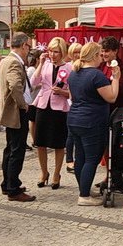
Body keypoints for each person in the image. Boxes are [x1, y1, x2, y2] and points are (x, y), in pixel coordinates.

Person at [67, 42, 117, 206]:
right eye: (100, 55)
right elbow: (111, 97)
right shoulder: (96, 75)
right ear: (95, 56)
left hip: (75, 119)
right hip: (92, 121)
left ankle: (84, 189)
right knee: (92, 158)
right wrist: (116, 79)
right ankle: (84, 196)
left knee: (80, 156)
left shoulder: (74, 73)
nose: (102, 58)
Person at [0, 34, 36, 203]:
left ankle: (8, 184)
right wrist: (23, 104)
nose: (29, 51)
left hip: (9, 111)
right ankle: (13, 189)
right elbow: (14, 85)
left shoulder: (6, 60)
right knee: (16, 151)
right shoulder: (13, 62)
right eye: (29, 47)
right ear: (24, 46)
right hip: (15, 112)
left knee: (10, 149)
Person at [29, 37, 71, 189]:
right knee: (40, 142)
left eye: (56, 52)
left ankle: (56, 174)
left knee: (59, 144)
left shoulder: (69, 68)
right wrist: (40, 63)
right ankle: (44, 172)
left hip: (59, 108)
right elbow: (33, 82)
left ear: (62, 52)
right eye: (50, 51)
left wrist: (63, 92)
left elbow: (73, 92)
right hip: (43, 105)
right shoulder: (45, 64)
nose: (52, 55)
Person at [65, 42, 83, 173]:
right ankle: (69, 160)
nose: (77, 54)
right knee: (71, 135)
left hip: (78, 104)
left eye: (79, 51)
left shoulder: (83, 67)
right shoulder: (68, 67)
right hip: (69, 103)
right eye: (75, 52)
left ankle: (77, 159)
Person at [99, 36, 123, 108]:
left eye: (107, 51)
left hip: (117, 106)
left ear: (115, 51)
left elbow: (121, 88)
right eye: (102, 51)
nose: (103, 54)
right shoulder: (100, 65)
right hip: (103, 106)